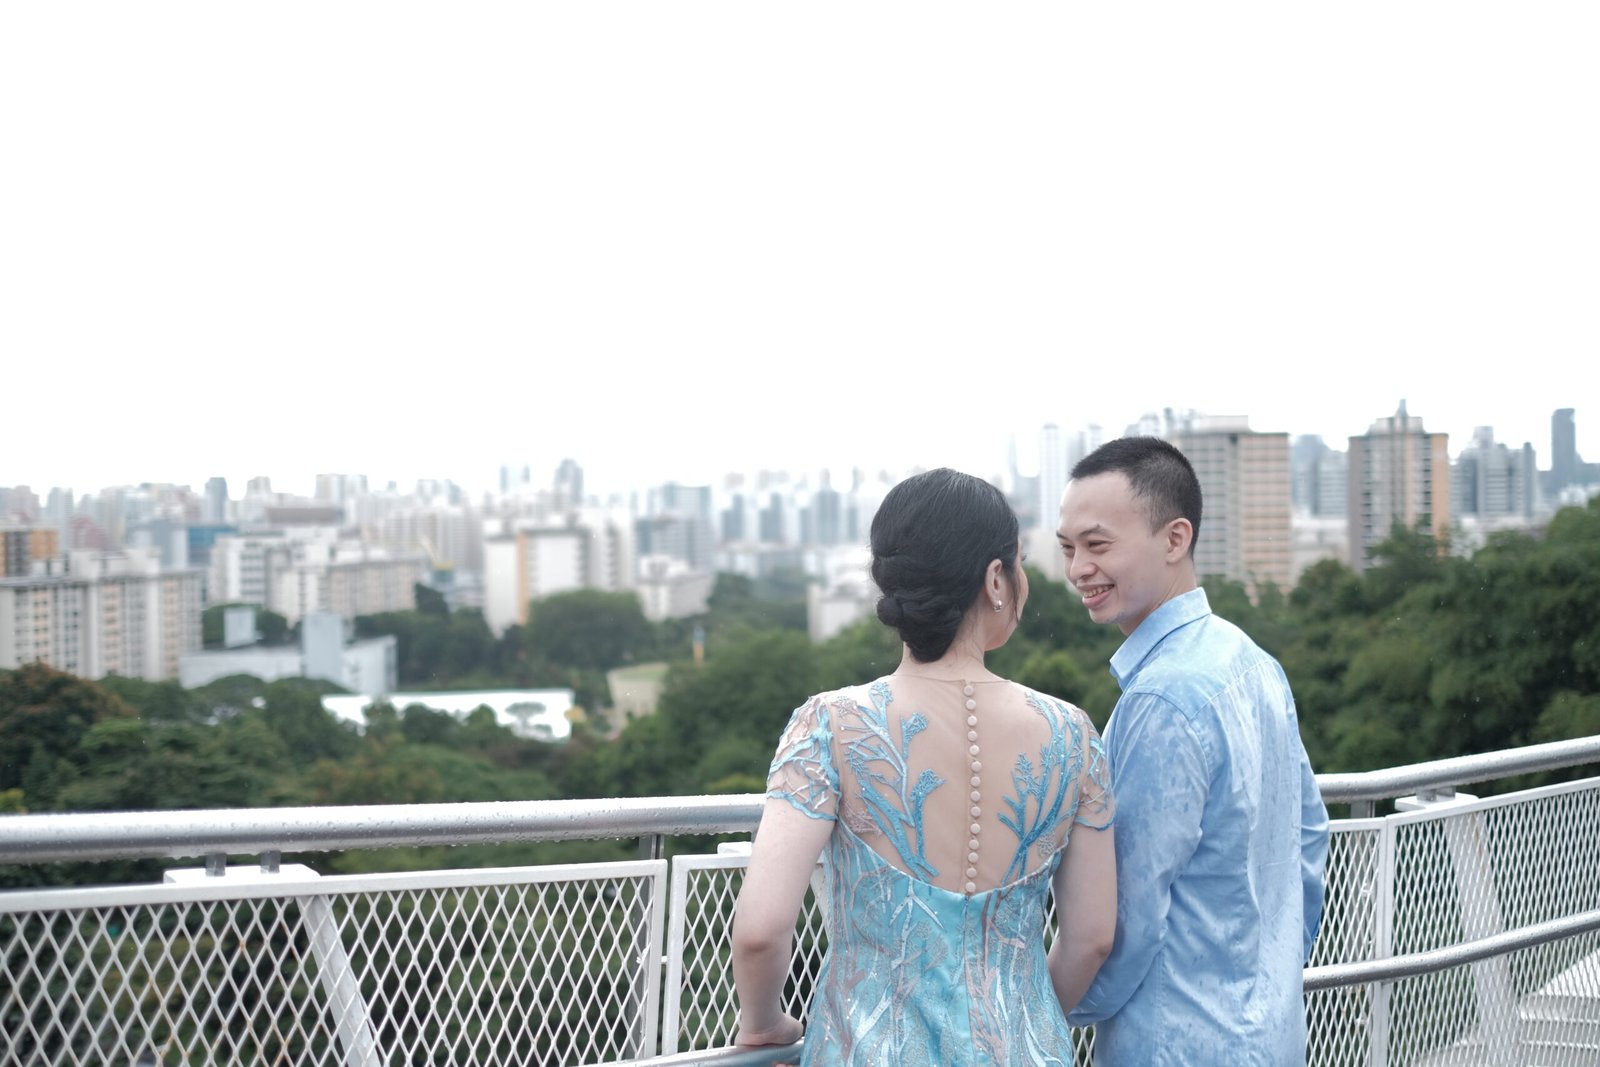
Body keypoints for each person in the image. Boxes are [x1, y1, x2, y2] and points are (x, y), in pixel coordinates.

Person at [731, 467, 1117, 1066]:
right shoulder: (1074, 735)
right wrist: (1026, 1022)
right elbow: (1091, 939)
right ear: (995, 578)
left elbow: (760, 930)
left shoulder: (829, 726)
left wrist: (763, 1026)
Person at [1056, 437, 1330, 1065]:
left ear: (1175, 539)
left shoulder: (1161, 699)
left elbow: (1123, 921)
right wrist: (1272, 972)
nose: (1078, 570)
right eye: (1068, 549)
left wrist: (1038, 1013)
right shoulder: (1252, 660)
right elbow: (1310, 834)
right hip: (1271, 1036)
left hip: (1174, 1041)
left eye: (1098, 545)